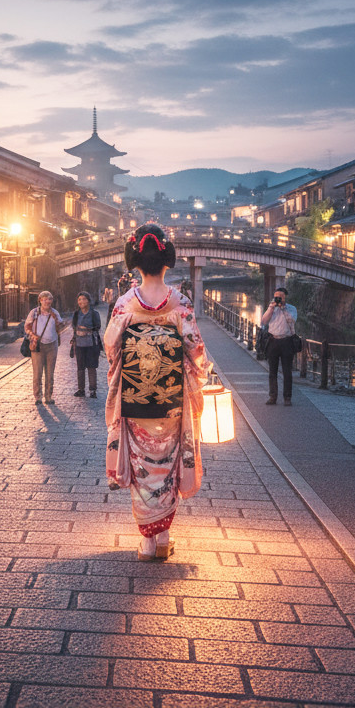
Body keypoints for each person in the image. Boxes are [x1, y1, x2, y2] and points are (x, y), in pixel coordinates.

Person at [104, 224, 213, 561]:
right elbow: (195, 348)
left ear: (135, 263)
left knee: (142, 466)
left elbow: (111, 347)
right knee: (168, 462)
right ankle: (163, 537)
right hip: (172, 398)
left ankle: (148, 543)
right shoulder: (181, 302)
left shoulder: (125, 303)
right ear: (167, 261)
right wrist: (202, 372)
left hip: (136, 396)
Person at [24, 291, 64, 403]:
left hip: (52, 345)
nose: (47, 301)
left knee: (50, 373)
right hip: (38, 345)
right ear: (40, 300)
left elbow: (60, 326)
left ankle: (48, 396)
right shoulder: (34, 313)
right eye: (45, 299)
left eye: (49, 299)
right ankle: (38, 396)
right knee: (37, 373)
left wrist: (59, 323)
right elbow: (27, 327)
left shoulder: (54, 312)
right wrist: (32, 335)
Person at [262, 285, 298, 406]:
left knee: (287, 372)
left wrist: (283, 309)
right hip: (273, 341)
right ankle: (273, 397)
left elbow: (292, 320)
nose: (277, 299)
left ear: (285, 297)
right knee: (272, 372)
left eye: (280, 297)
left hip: (287, 341)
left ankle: (287, 397)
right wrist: (271, 308)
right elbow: (264, 321)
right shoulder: (272, 308)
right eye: (276, 297)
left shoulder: (292, 308)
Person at [70, 291, 103, 398]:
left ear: (88, 301)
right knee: (80, 367)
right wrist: (78, 331)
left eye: (84, 299)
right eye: (79, 299)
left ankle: (92, 390)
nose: (81, 301)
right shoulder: (76, 314)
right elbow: (73, 326)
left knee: (91, 367)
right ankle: (81, 390)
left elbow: (98, 326)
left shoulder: (94, 314)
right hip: (79, 344)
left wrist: (87, 329)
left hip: (91, 344)